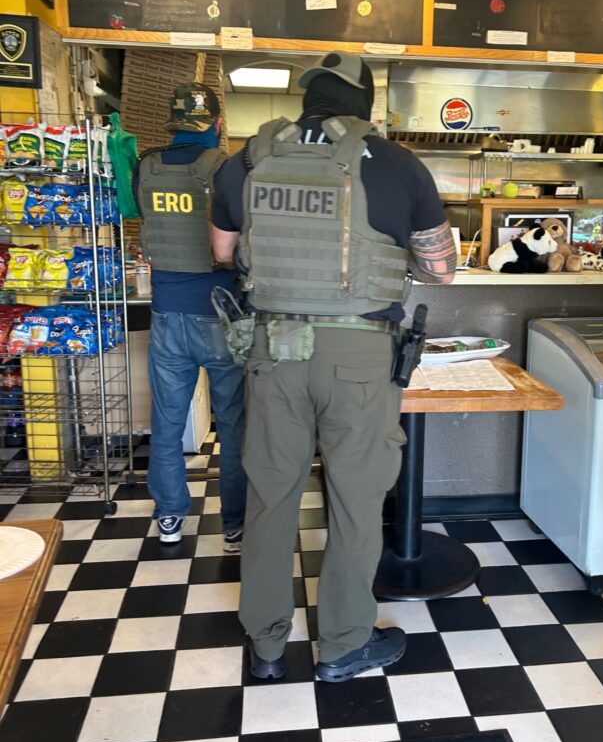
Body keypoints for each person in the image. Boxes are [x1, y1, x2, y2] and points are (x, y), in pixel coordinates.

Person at [211, 51, 456, 682]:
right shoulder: (399, 164)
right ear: (365, 103)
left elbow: (222, 251)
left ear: (307, 97)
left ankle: (266, 647)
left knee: (271, 498)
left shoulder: (246, 160)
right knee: (354, 500)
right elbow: (440, 269)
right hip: (360, 358)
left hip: (273, 352)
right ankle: (343, 645)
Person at [134, 83, 247, 550]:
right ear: (217, 124)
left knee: (167, 421)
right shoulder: (227, 168)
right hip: (222, 313)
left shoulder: (147, 166)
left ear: (173, 123)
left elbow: (143, 220)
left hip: (167, 313)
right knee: (236, 424)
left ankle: (170, 519)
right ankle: (235, 526)